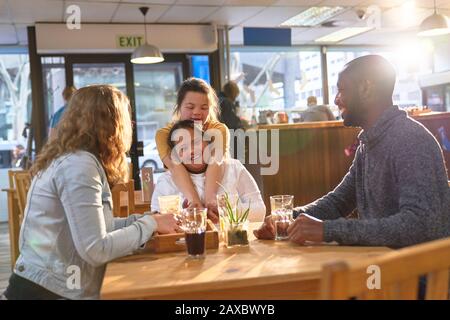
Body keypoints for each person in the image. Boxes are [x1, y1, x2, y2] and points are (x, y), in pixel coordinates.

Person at [2, 85, 179, 300]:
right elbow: (96, 248)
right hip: (49, 291)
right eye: (127, 121)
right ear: (112, 125)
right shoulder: (79, 165)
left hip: (48, 285)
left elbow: (97, 229)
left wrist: (149, 220)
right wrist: (150, 224)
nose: (130, 127)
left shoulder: (75, 158)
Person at [255, 55, 450, 249]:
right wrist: (287, 218)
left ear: (366, 89)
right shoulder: (368, 143)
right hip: (383, 267)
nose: (336, 99)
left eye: (341, 90)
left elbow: (419, 225)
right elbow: (339, 202)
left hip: (416, 276)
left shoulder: (410, 140)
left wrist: (328, 230)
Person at [152, 119, 266, 223]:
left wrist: (224, 211)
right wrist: (187, 215)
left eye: (196, 142)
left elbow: (260, 210)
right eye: (183, 148)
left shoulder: (233, 167)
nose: (192, 150)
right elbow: (155, 220)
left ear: (208, 142)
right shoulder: (166, 181)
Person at [155, 78, 229, 221]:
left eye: (204, 107)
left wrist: (210, 200)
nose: (197, 112)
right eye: (190, 107)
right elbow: (175, 166)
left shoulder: (218, 129)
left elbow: (216, 161)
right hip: (182, 198)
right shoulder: (164, 134)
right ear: (179, 107)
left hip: (220, 195)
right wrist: (195, 203)